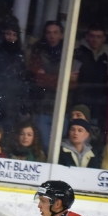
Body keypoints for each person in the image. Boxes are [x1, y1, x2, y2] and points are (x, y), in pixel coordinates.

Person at [29, 22, 78, 151]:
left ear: (61, 35)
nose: (52, 36)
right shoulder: (38, 53)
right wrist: (64, 77)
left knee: (58, 147)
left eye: (55, 33)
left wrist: (48, 77)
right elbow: (39, 80)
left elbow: (73, 84)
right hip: (42, 107)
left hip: (62, 109)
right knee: (43, 146)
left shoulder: (70, 54)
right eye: (49, 33)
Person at [73, 24, 108, 129]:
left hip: (97, 105)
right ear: (87, 37)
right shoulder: (79, 54)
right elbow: (73, 77)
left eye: (98, 37)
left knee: (93, 132)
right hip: (80, 102)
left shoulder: (104, 57)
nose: (95, 40)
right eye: (92, 36)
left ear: (104, 39)